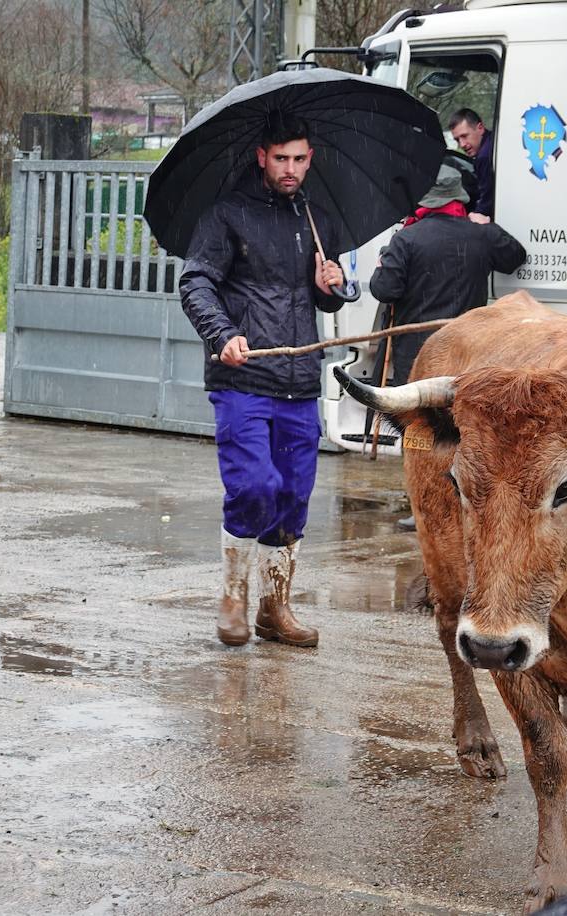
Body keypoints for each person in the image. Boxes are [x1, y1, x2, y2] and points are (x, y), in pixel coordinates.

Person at [179, 112, 348, 650]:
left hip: (300, 382)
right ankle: (233, 595)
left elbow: (321, 297)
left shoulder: (316, 218)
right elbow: (195, 284)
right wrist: (220, 333)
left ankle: (276, 609)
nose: (291, 169)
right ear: (262, 157)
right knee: (255, 487)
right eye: (281, 159)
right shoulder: (227, 214)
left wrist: (334, 285)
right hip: (243, 378)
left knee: (294, 498)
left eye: (300, 159)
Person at [368, 162, 526, 530]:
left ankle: (424, 506)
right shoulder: (480, 235)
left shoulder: (406, 239)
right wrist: (488, 226)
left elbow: (384, 290)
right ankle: (467, 501)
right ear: (457, 197)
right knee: (467, 429)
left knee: (421, 432)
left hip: (420, 354)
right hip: (470, 351)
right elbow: (516, 256)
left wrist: (382, 266)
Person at [449, 108, 495, 220]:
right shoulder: (493, 142)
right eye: (457, 140)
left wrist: (471, 218)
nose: (462, 144)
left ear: (480, 128)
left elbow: (487, 201)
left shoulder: (484, 157)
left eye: (464, 136)